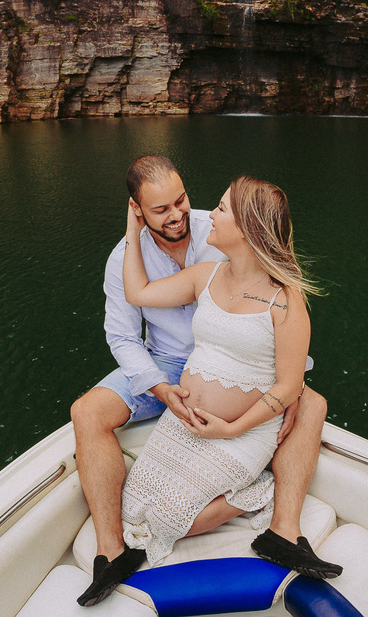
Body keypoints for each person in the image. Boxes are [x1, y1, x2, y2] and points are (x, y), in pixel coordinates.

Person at [72, 158, 340, 607]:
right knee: (86, 411)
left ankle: (284, 529)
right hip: (164, 365)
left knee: (310, 403)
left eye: (182, 200)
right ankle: (110, 550)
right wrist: (158, 387)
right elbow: (121, 336)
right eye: (160, 210)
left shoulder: (219, 235)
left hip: (240, 369)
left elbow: (272, 303)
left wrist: (292, 387)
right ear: (138, 209)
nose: (178, 214)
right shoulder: (125, 256)